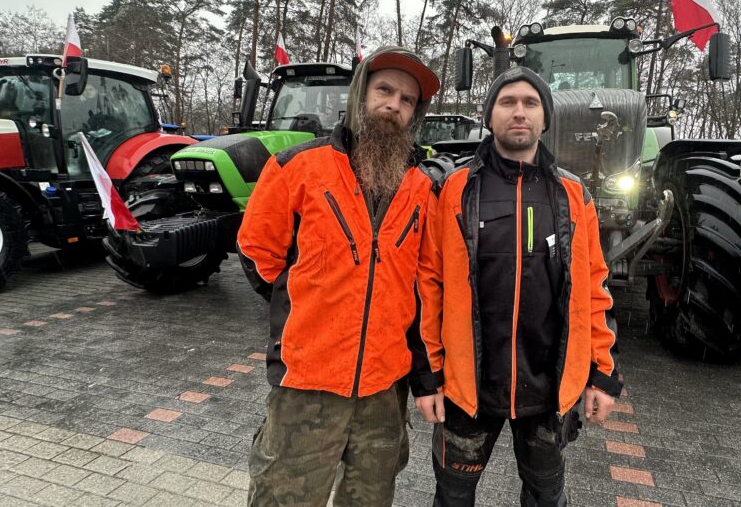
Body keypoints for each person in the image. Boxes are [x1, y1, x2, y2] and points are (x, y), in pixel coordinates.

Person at [237, 46, 441, 507]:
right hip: (306, 384)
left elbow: (425, 286)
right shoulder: (297, 169)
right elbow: (257, 255)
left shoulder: (422, 189)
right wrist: (306, 309)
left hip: (384, 391)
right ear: (359, 95)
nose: (394, 104)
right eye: (384, 90)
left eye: (408, 100)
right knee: (283, 497)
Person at [410, 66, 622, 506]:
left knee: (546, 495)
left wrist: (602, 372)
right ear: (490, 117)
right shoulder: (454, 190)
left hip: (548, 387)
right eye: (507, 103)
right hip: (468, 389)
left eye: (530, 103)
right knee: (452, 496)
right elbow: (430, 285)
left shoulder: (572, 195)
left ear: (545, 118)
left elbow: (593, 288)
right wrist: (427, 377)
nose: (519, 112)